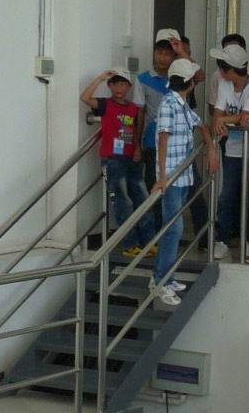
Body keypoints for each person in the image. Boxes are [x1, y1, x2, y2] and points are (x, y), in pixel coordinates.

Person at [148, 58, 216, 306]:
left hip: (183, 176)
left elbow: (201, 125)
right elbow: (163, 139)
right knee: (173, 229)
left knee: (173, 229)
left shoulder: (182, 104)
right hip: (172, 179)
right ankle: (162, 282)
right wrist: (162, 177)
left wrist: (211, 148)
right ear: (190, 82)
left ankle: (163, 277)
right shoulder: (169, 104)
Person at [81, 69, 147, 253]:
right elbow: (85, 98)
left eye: (123, 84)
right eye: (116, 84)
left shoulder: (133, 108)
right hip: (112, 158)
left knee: (142, 198)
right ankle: (130, 244)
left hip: (132, 158)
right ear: (110, 86)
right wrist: (100, 78)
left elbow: (135, 130)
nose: (119, 88)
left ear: (129, 87)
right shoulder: (105, 104)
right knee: (122, 202)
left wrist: (137, 148)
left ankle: (149, 242)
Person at [208, 37, 249, 260]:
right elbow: (217, 116)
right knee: (227, 196)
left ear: (230, 69)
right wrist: (227, 119)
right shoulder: (224, 84)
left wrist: (226, 119)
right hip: (231, 149)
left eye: (222, 67)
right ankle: (222, 239)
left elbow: (246, 117)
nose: (219, 71)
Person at [132, 31, 181, 249]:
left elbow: (199, 75)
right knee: (156, 189)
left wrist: (182, 52)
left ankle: (191, 236)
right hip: (153, 143)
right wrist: (137, 144)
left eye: (167, 54)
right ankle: (158, 237)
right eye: (159, 52)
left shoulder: (180, 78)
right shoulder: (142, 79)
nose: (162, 58)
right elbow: (139, 114)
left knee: (184, 190)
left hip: (179, 146)